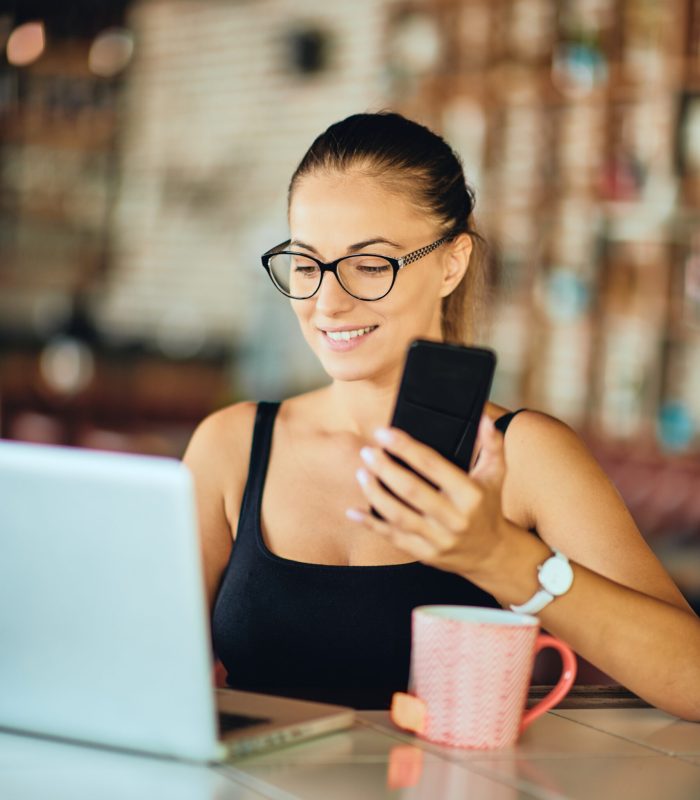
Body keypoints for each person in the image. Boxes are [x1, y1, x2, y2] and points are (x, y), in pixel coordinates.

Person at [183, 112, 700, 718]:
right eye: (305, 264)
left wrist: (500, 556)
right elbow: (146, 661)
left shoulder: (521, 453)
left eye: (370, 265)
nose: (327, 301)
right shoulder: (231, 445)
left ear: (451, 264)